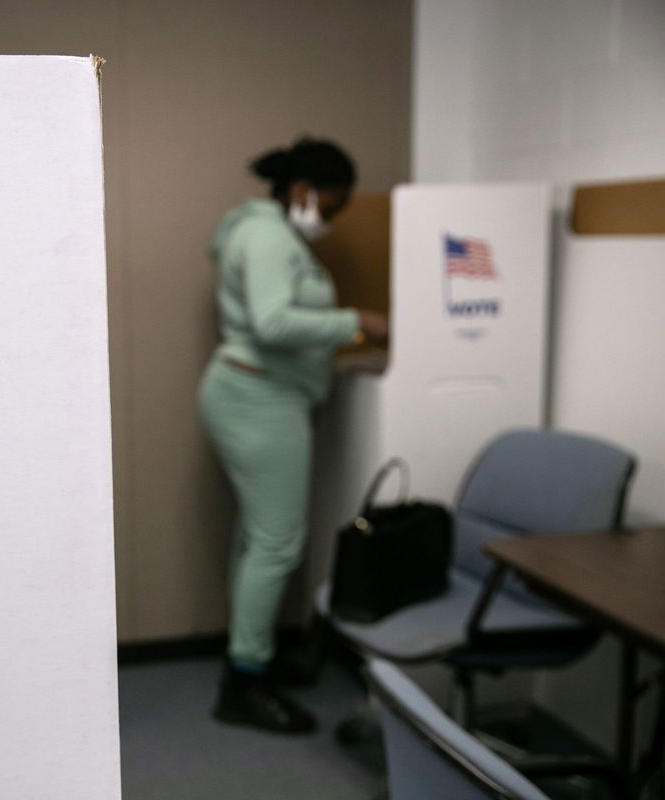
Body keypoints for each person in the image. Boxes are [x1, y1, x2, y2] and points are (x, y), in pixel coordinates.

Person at [198, 136, 388, 734]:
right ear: (304, 192)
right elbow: (273, 321)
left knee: (259, 539)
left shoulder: (261, 232)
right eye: (331, 206)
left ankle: (249, 656)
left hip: (257, 393)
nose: (331, 219)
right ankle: (243, 683)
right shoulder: (269, 237)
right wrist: (356, 322)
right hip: (260, 400)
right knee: (278, 543)